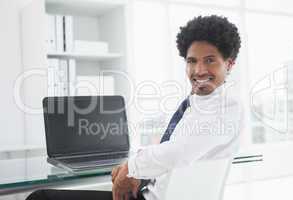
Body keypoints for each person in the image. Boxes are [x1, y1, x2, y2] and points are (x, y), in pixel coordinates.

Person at [26, 14, 242, 200]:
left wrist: (132, 167)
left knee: (41, 198)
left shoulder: (225, 106)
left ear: (229, 64)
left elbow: (179, 152)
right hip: (149, 193)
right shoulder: (199, 103)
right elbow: (174, 153)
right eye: (192, 61)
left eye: (210, 60)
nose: (199, 70)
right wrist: (139, 175)